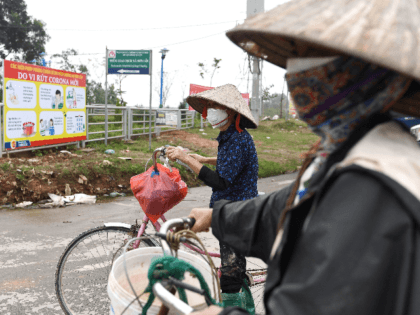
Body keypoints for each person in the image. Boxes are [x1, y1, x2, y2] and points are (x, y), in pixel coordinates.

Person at [187, 0, 420, 314]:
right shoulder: (347, 152)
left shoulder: (369, 186)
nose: (295, 73)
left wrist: (209, 312)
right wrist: (218, 217)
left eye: (314, 58)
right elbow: (290, 205)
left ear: (361, 75)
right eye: (295, 57)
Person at [166, 84, 259, 306]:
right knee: (233, 267)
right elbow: (232, 163)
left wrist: (185, 158)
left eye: (216, 106)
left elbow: (221, 181)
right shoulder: (229, 136)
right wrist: (205, 159)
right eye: (210, 106)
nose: (211, 110)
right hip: (229, 210)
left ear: (231, 111)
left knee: (230, 277)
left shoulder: (237, 139)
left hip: (235, 213)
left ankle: (235, 305)